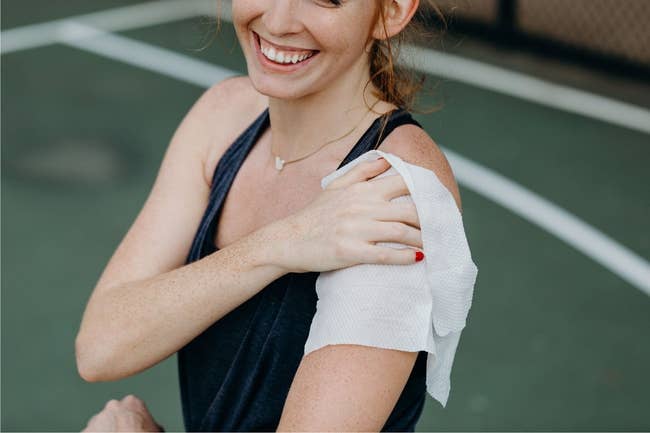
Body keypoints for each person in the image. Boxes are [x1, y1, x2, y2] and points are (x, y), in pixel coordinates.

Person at [76, 0, 463, 431]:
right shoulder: (223, 115)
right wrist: (281, 242)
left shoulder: (395, 189)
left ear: (392, 11)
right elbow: (100, 347)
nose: (278, 21)